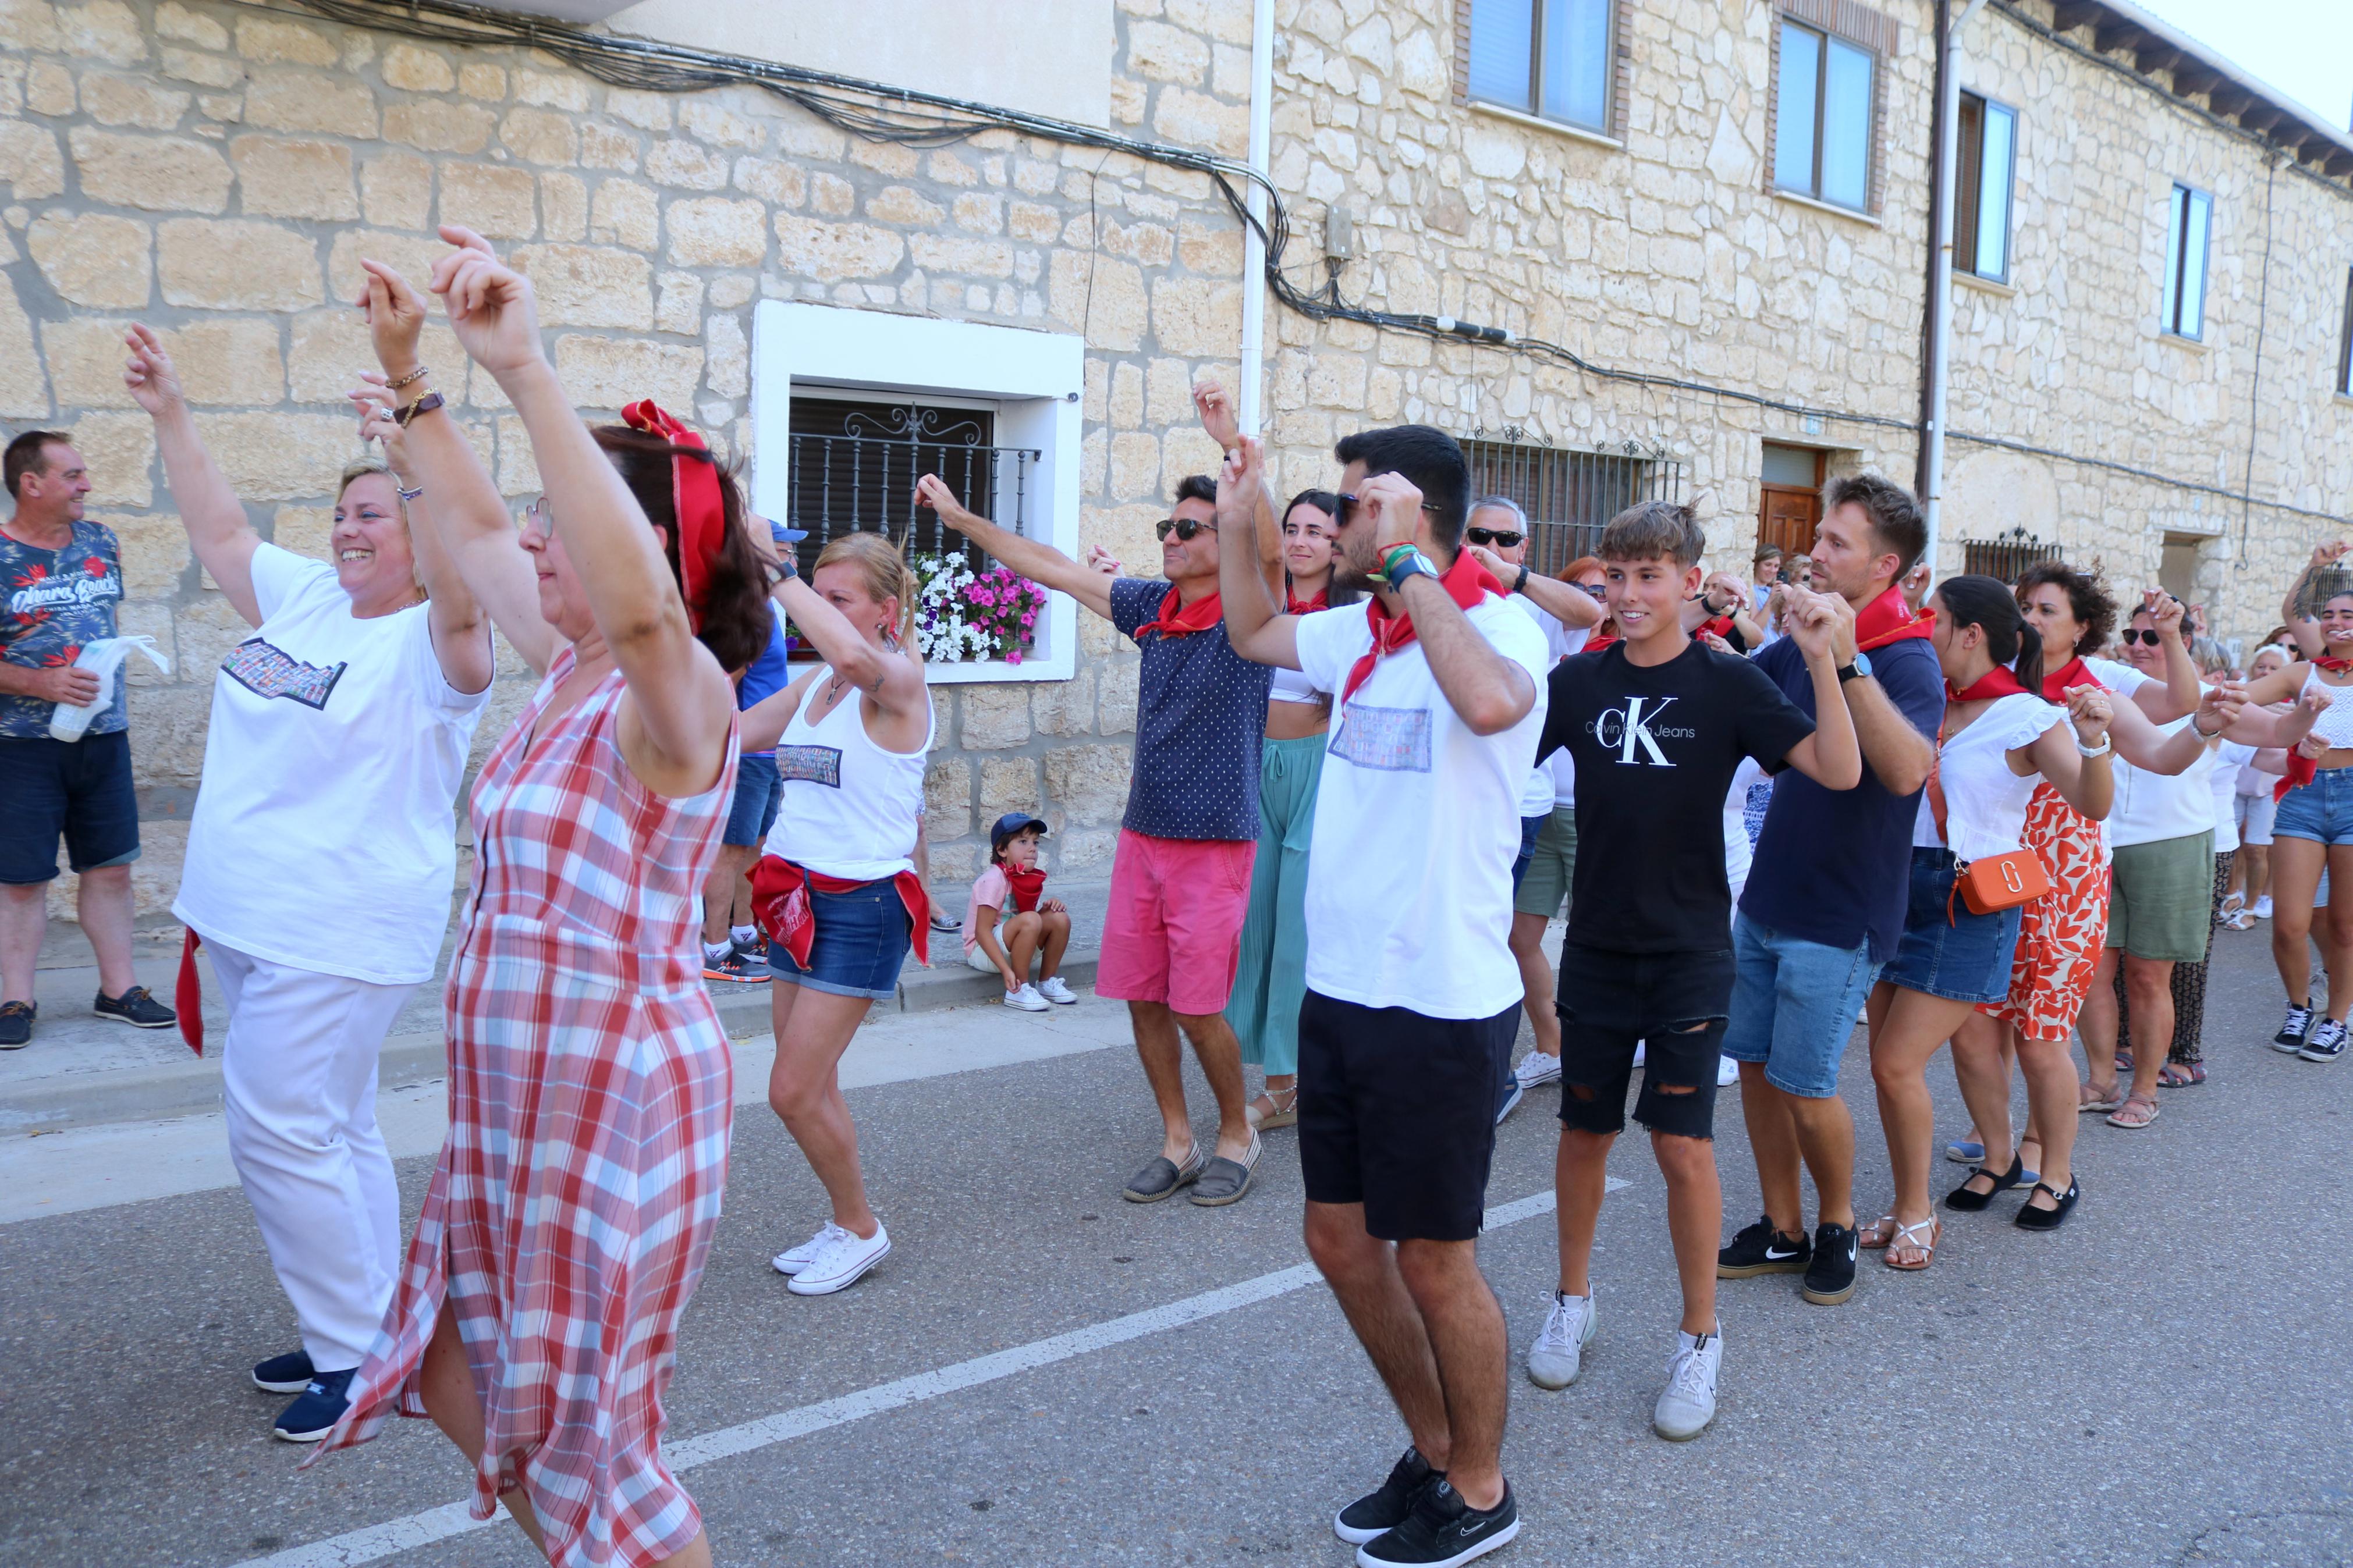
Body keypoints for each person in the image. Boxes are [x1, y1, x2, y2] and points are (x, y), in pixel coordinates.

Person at [314, 229, 760, 1568]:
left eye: (556, 524)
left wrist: (523, 370)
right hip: (522, 1099)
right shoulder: (562, 669)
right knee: (454, 1364)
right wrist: (410, 382)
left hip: (613, 1094)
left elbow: (644, 618)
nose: (528, 539)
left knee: (596, 1441)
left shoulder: (674, 701)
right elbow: (462, 516)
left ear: (637, 553)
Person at [119, 315, 495, 1441]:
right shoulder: (309, 602)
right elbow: (223, 527)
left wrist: (413, 453)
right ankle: (377, 1322)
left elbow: (469, 578)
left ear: (417, 536)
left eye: (369, 514)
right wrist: (172, 413)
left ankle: (360, 1359)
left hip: (337, 928)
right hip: (248, 916)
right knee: (330, 1126)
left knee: (279, 1129)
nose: (345, 530)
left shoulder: (441, 643)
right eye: (339, 515)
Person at [1218, 425, 1546, 1566]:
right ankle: (1435, 1445)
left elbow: (1495, 706)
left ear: (1412, 517)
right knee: (1338, 1240)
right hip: (1344, 990)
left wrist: (1412, 570)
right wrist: (1236, 499)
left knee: (1431, 1258)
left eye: (1355, 506)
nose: (1339, 521)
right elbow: (1253, 627)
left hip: (1440, 1000)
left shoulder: (1494, 625)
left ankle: (1483, 1485)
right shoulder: (1358, 628)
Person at [1530, 500, 1860, 1443]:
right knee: (1585, 1133)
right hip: (1593, 945)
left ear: (1686, 583)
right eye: (1616, 577)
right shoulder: (1579, 680)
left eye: (1648, 576)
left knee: (1680, 1148)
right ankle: (1571, 1298)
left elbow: (1836, 771)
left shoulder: (1725, 684)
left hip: (1686, 952)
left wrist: (1824, 661)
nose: (1628, 594)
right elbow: (1495, 746)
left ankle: (1698, 1336)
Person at [928, 382, 1281, 1208]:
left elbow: (1264, 549)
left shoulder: (1247, 615)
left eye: (1186, 527)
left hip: (1214, 843)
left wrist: (1236, 453)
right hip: (1143, 836)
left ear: (1219, 534)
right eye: (1166, 526)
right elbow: (1048, 568)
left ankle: (1236, 1129)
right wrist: (963, 524)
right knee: (1144, 999)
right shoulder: (1149, 608)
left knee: (1199, 1009)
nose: (1169, 537)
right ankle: (1177, 1137)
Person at [1716, 475, 1940, 1310]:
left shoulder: (1908, 654)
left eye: (1836, 543)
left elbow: (1907, 768)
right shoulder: (1803, 628)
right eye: (1818, 536)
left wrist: (1841, 660)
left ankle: (1836, 1220)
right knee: (1755, 1066)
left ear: (1883, 566)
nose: (1814, 552)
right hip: (1768, 892)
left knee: (1807, 1083)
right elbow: (1740, 688)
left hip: (1840, 909)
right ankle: (1781, 1224)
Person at [1863, 575, 2114, 1265]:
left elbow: (2090, 806)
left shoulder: (2026, 716)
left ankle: (2042, 1179)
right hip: (1894, 889)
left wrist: (2093, 742)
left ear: (1969, 633)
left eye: (1931, 619)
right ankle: (1942, 1184)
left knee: (1894, 1062)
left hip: (1964, 898)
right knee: (1925, 1058)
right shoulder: (1919, 701)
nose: (1920, 628)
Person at [1947, 567, 2202, 1202]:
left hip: (2063, 881)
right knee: (1978, 1026)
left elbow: (2174, 722)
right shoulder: (1986, 682)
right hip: (1992, 874)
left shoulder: (2099, 683)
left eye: (2046, 609)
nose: (2031, 618)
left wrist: (2181, 668)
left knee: (2039, 1034)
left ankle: (2046, 1158)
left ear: (2081, 625)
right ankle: (2000, 1148)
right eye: (2023, 607)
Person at [746, 526, 934, 1296]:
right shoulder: (816, 683)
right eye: (814, 595)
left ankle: (860, 1225)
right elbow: (729, 739)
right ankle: (843, 1218)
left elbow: (858, 662)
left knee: (790, 1087)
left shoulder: (895, 680)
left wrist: (776, 575)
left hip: (861, 906)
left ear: (885, 611)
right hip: (795, 896)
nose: (819, 611)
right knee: (810, 1084)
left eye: (837, 599)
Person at [0, 429, 175, 1050]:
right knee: (21, 879)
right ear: (32, 483)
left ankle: (118, 989)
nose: (87, 485)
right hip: (21, 745)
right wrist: (39, 681)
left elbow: (102, 623)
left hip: (104, 736)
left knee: (111, 870)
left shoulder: (101, 540)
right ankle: (15, 998)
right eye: (73, 475)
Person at [1460, 499, 1601, 1121]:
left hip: (1521, 803)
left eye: (1504, 538)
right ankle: (1544, 1050)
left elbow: (1589, 611)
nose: (1489, 546)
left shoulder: (1532, 603)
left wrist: (1508, 574)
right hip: (1457, 797)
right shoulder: (1440, 596)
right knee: (1500, 936)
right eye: (1477, 535)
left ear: (1524, 544)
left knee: (1486, 937)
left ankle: (1491, 1076)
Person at [1226, 481, 1356, 1133]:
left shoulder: (1352, 615)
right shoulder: (1262, 599)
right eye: (1293, 528)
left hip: (1319, 774)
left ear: (1340, 544)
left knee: (1298, 933)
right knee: (1257, 928)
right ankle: (1279, 1076)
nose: (1301, 542)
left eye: (1316, 531)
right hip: (1257, 768)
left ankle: (1295, 1082)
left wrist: (1250, 471)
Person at [1496, 554, 1609, 1105]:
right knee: (1521, 939)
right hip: (1543, 809)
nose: (1600, 600)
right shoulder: (1551, 640)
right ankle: (1553, 1047)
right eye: (1588, 588)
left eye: (1606, 589)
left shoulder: (1630, 654)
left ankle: (1602, 1047)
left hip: (1595, 817)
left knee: (1601, 941)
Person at [2237, 575, 2353, 1062]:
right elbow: (2237, 696)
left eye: (2347, 615)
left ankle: (2337, 1020)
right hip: (2303, 796)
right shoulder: (2303, 672)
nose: (2335, 622)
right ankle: (2299, 1007)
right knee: (2288, 923)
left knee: (2345, 926)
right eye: (2329, 614)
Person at [701, 605, 796, 983]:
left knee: (755, 845)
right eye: (783, 549)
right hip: (748, 752)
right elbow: (726, 676)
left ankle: (743, 932)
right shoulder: (748, 610)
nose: (789, 558)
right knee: (730, 849)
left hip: (771, 750)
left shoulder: (771, 607)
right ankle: (715, 948)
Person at [965, 812, 1076, 1009]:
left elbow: (1025, 918)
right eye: (1023, 841)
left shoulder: (1024, 877)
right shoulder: (992, 880)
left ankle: (1046, 982)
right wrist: (1007, 971)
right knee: (1031, 919)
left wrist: (1047, 909)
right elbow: (982, 933)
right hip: (983, 953)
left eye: (1035, 842)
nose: (1032, 848)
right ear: (1002, 850)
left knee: (1059, 917)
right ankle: (1018, 989)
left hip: (1013, 944)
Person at [2224, 643, 2294, 926]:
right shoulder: (2243, 693)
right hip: (2237, 781)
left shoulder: (2291, 703)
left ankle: (2251, 908)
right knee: (2231, 844)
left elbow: (2288, 723)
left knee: (2256, 848)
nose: (2266, 672)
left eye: (2274, 669)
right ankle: (2232, 895)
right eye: (2261, 666)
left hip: (2268, 785)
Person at [1749, 543, 1783, 612]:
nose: (1772, 570)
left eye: (1776, 566)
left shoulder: (1772, 591)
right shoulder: (1751, 591)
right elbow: (1755, 623)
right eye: (1768, 565)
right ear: (1757, 564)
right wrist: (1771, 599)